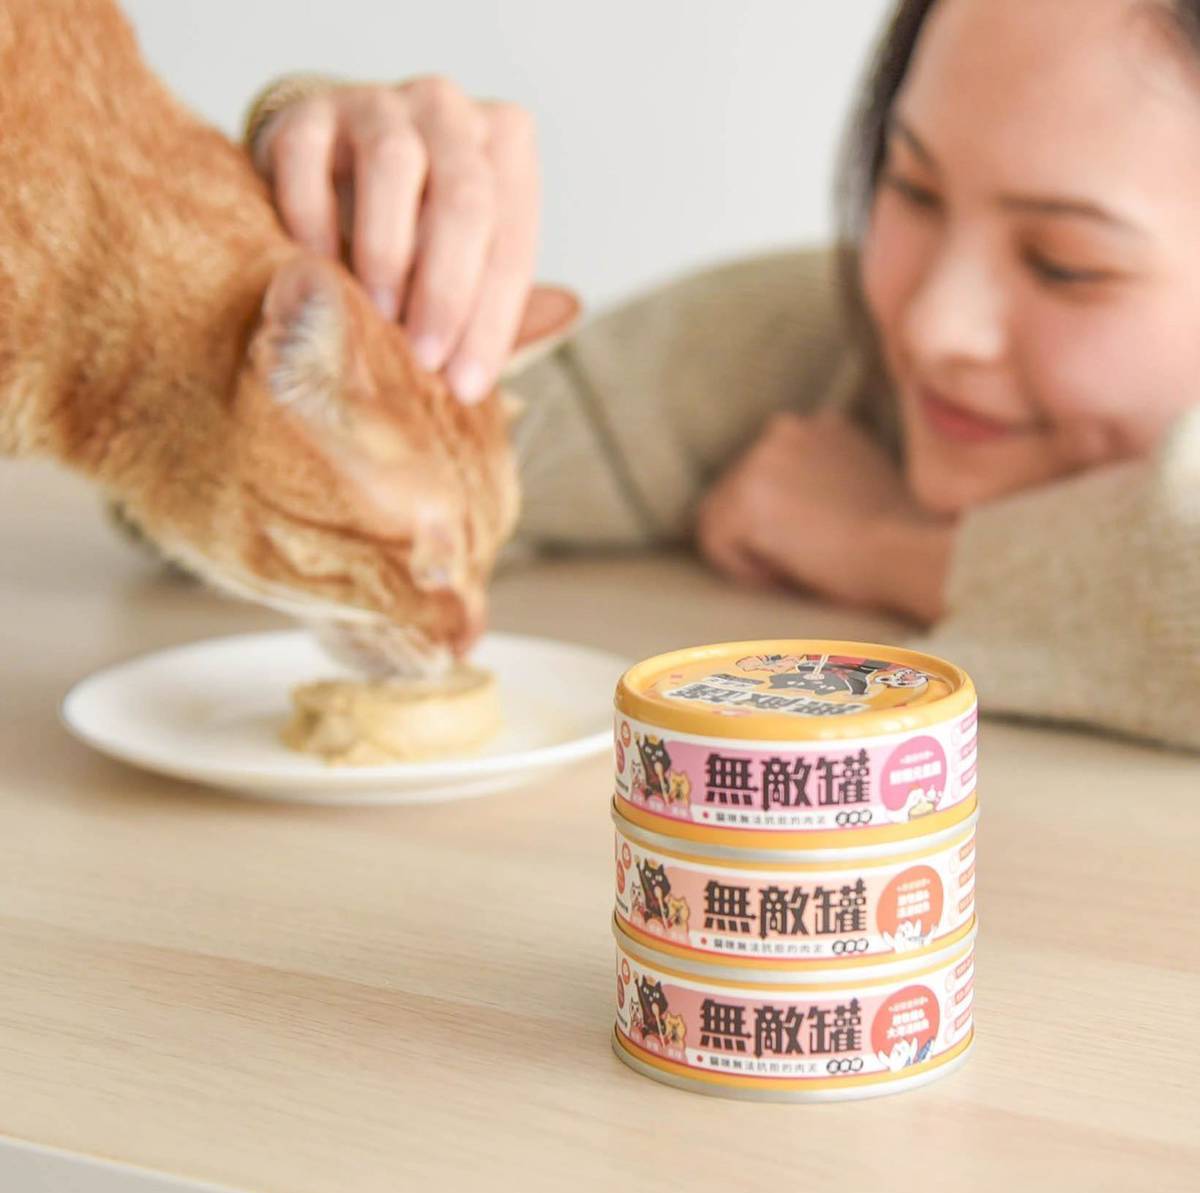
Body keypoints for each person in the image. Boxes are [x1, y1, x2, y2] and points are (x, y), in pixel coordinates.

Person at [241, 0, 1200, 750]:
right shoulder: (811, 348)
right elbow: (235, 487)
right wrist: (302, 226)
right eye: (911, 188)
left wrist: (881, 547)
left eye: (1067, 264)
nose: (932, 326)